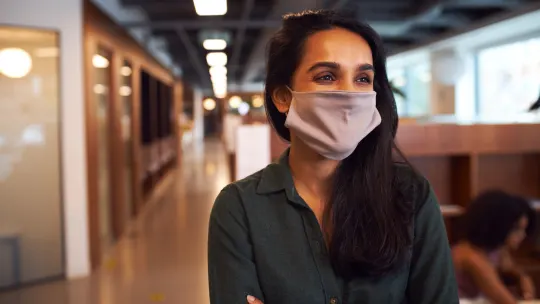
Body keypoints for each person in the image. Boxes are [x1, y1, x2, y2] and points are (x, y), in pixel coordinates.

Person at [208, 9, 458, 304]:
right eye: (327, 76)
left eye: (363, 78)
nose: (349, 95)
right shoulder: (240, 208)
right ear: (282, 97)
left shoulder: (411, 195)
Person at [453, 190, 536, 303]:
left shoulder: (498, 250)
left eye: (524, 229)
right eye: (517, 229)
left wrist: (521, 278)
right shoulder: (471, 256)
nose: (523, 235)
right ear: (497, 225)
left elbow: (511, 270)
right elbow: (505, 300)